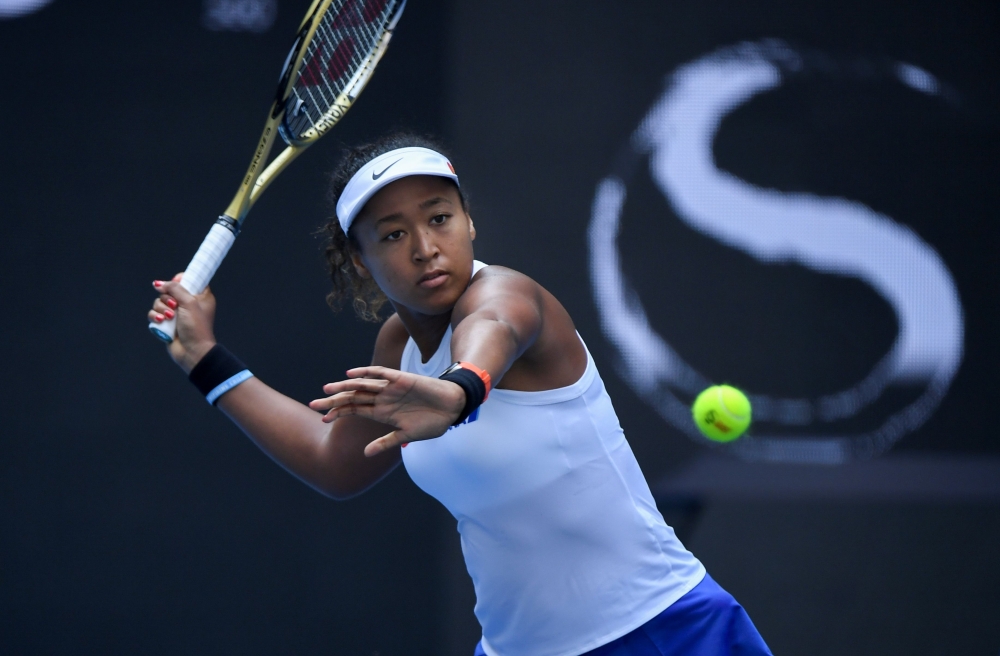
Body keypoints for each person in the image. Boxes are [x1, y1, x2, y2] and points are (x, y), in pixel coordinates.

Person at [148, 133, 772, 656]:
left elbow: (491, 332)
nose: (425, 247)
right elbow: (335, 463)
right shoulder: (397, 346)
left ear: (469, 221)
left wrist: (456, 393)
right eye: (391, 234)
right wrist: (205, 360)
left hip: (664, 631)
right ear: (360, 260)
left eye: (439, 217)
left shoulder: (509, 295)